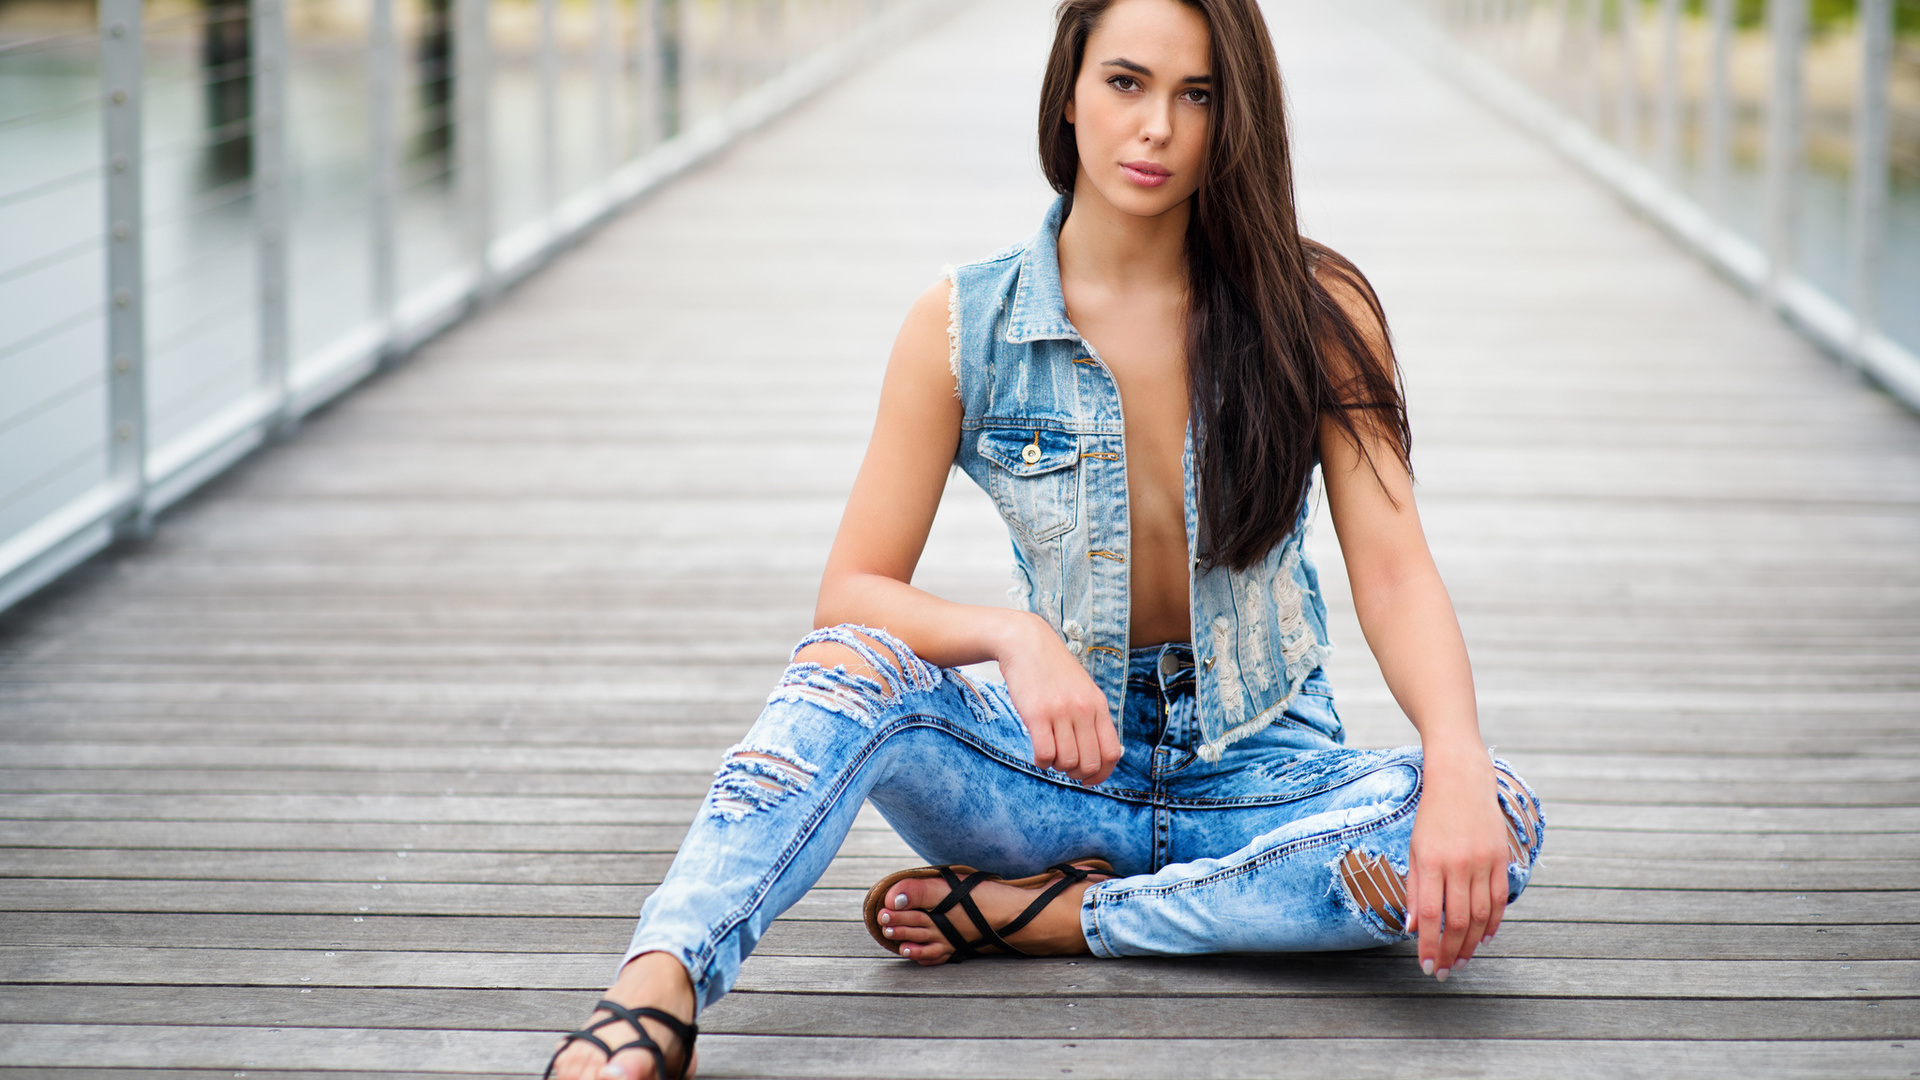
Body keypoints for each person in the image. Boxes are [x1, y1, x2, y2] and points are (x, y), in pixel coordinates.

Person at [544, 0, 1543, 1074]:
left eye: (1196, 95)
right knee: (843, 670)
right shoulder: (961, 326)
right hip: (1051, 779)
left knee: (1498, 815)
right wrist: (1013, 640)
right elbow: (852, 592)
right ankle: (660, 983)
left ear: (1235, 116)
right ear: (1068, 91)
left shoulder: (1320, 309)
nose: (1156, 126)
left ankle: (1063, 920)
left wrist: (1452, 761)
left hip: (1260, 787)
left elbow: (1394, 577)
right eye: (1126, 82)